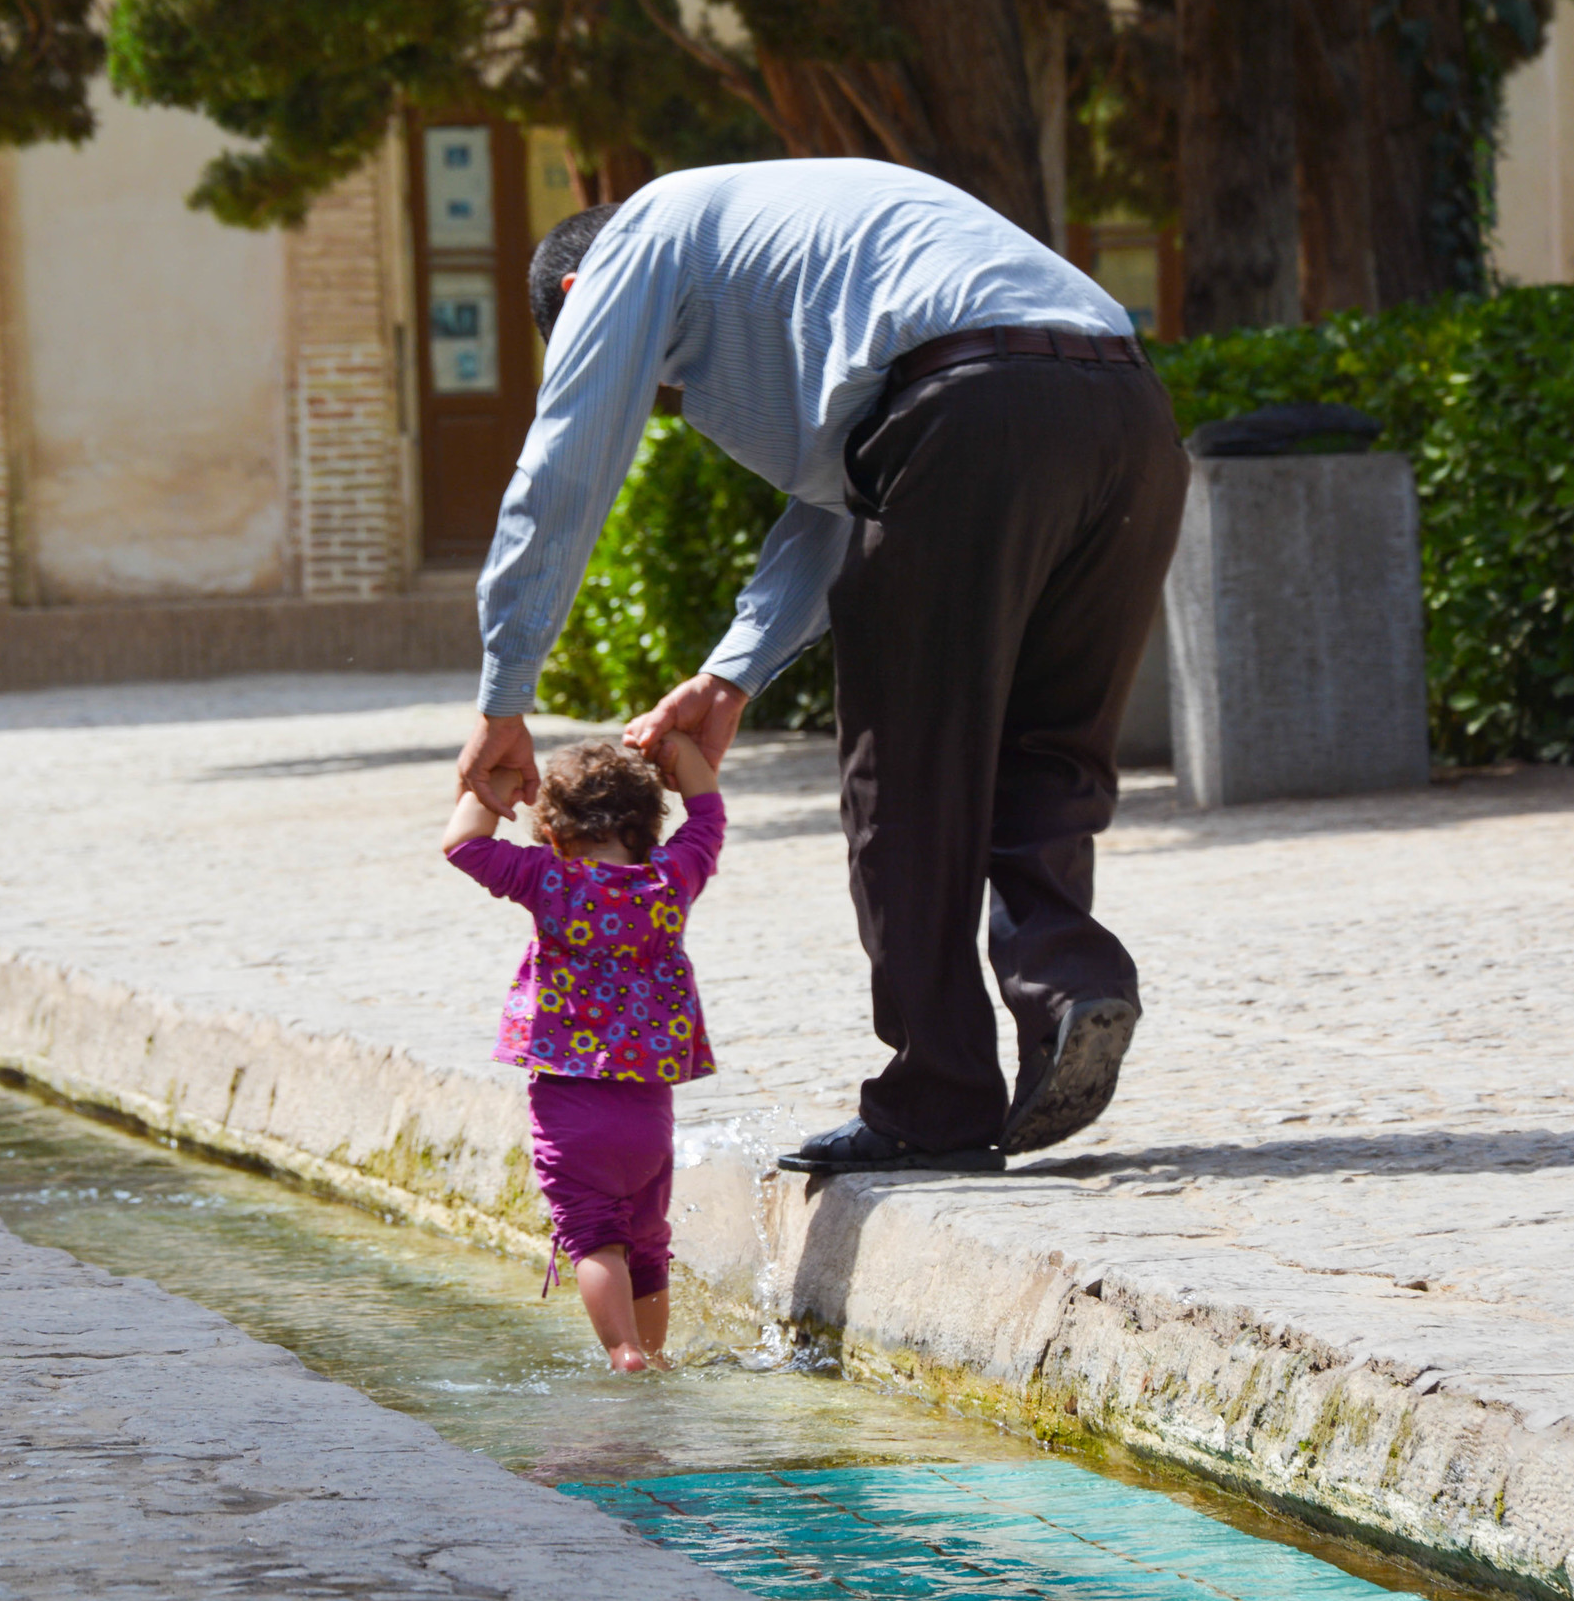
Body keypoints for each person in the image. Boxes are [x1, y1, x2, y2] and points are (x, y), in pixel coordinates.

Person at [453, 158, 1189, 1175]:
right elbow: (849, 489)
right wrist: (730, 676)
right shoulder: (782, 235)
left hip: (970, 415)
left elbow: (564, 469)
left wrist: (504, 696)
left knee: (905, 770)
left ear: (578, 299)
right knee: (1046, 750)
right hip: (1129, 413)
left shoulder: (636, 245)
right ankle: (1069, 986)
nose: (666, 391)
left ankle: (934, 1102)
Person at [442, 735, 724, 1371]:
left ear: (555, 830)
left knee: (596, 1237)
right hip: (650, 1113)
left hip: (571, 1104)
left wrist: (496, 783)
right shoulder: (670, 877)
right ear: (645, 824)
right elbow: (708, 815)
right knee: (648, 1244)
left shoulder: (550, 878)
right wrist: (680, 751)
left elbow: (463, 843)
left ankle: (623, 1351)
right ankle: (653, 1357)